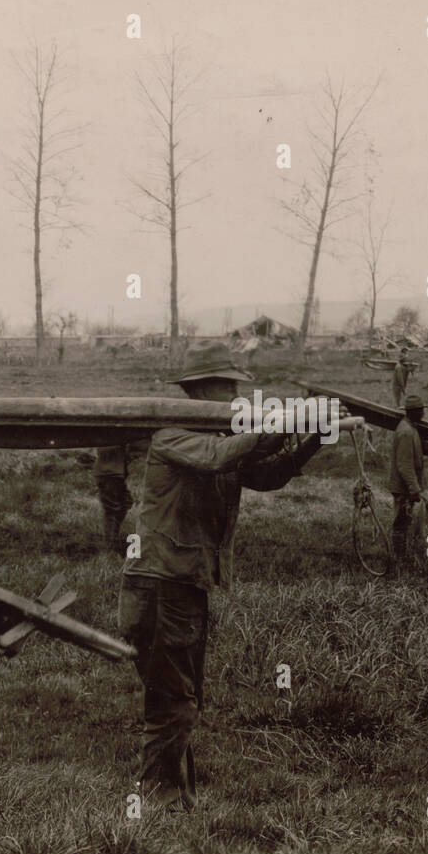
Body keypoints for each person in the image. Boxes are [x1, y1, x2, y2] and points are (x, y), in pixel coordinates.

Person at [119, 341, 325, 810]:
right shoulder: (172, 436)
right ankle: (158, 800)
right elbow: (218, 456)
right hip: (159, 586)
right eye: (229, 387)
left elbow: (264, 475)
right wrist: (279, 424)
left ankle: (175, 795)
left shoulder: (221, 438)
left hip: (185, 586)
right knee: (173, 701)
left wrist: (311, 439)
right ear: (201, 390)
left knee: (184, 698)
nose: (237, 396)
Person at [389, 394, 428, 570]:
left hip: (406, 486)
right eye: (421, 411)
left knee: (404, 521)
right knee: (400, 523)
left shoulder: (410, 428)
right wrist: (414, 488)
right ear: (414, 412)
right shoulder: (406, 432)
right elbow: (404, 465)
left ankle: (401, 556)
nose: (423, 414)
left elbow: (422, 448)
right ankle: (398, 560)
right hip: (403, 487)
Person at [93, 441, 146, 554]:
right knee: (113, 510)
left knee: (122, 505)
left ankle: (112, 542)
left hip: (112, 475)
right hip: (109, 475)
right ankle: (110, 546)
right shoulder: (110, 439)